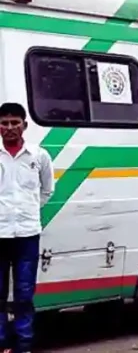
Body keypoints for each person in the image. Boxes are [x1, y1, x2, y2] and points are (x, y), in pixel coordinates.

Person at [0, 103, 53, 353]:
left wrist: (29, 210)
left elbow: (46, 191)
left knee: (23, 294)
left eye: (14, 122)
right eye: (4, 123)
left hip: (28, 235)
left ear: (24, 125)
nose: (9, 128)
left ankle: (23, 344)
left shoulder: (39, 156)